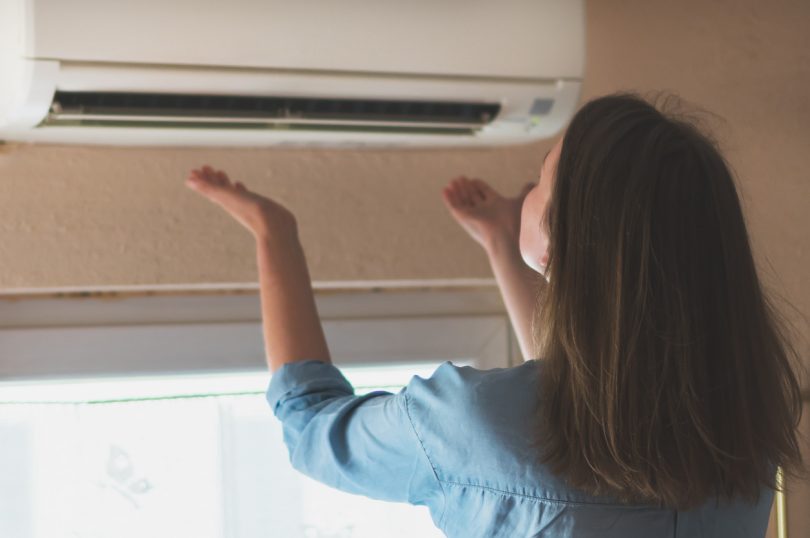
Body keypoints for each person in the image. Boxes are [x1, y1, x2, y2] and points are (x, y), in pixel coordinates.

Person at [185, 93, 804, 537]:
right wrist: (506, 247)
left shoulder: (468, 423)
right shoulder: (743, 428)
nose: (527, 188)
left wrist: (276, 234)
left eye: (539, 178)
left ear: (566, 236)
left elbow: (312, 427)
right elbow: (583, 401)